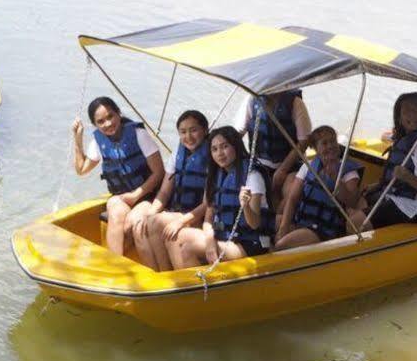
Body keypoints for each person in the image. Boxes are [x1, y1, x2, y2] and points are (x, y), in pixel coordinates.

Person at [72, 97, 165, 257]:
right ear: (95, 125)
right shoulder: (98, 142)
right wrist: (77, 139)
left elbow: (159, 172)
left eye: (110, 117)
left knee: (130, 224)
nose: (107, 124)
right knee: (115, 216)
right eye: (100, 121)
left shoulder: (138, 134)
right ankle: (114, 263)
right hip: (121, 196)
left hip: (149, 194)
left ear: (118, 114)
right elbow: (81, 170)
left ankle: (120, 259)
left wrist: (136, 195)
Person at [174, 126, 273, 268]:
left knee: (188, 249)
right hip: (225, 237)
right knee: (176, 236)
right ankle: (181, 280)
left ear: (236, 146)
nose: (219, 153)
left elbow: (255, 223)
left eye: (224, 147)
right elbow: (208, 221)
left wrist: (245, 205)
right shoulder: (217, 176)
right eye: (214, 149)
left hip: (250, 243)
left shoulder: (252, 176)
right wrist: (210, 242)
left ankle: (199, 286)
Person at [132, 110, 210, 272]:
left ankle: (167, 274)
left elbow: (207, 204)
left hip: (198, 216)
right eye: (183, 132)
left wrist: (180, 221)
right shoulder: (177, 154)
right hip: (178, 210)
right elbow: (164, 192)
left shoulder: (212, 157)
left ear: (205, 130)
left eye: (193, 130)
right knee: (142, 224)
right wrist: (150, 213)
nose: (188, 136)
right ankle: (159, 273)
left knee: (155, 223)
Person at [365, 92, 417, 229]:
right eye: (407, 111)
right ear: (399, 118)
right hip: (401, 198)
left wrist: (406, 176)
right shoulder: (406, 136)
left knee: (356, 221)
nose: (413, 114)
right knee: (362, 200)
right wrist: (379, 184)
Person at [275, 125, 364, 249]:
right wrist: (283, 229)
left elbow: (351, 201)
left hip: (322, 230)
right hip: (301, 221)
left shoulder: (348, 172)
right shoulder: (308, 166)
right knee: (270, 224)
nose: (330, 146)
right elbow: (292, 199)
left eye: (333, 141)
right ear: (316, 148)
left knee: (281, 245)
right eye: (324, 143)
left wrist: (335, 178)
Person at [234, 91, 312, 205]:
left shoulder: (295, 103)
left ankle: (282, 218)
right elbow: (237, 133)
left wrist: (282, 170)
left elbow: (304, 141)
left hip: (290, 165)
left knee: (291, 191)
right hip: (258, 165)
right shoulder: (251, 100)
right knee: (255, 193)